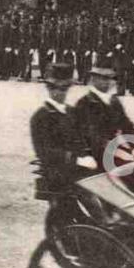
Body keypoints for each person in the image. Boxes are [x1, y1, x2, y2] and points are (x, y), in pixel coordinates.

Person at [30, 62, 97, 198]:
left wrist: (89, 154)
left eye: (65, 88)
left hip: (80, 171)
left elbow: (83, 139)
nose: (60, 93)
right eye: (56, 88)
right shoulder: (41, 117)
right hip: (57, 173)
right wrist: (76, 159)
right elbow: (44, 151)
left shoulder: (72, 112)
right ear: (49, 88)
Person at [74, 59, 134, 171]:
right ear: (93, 79)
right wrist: (120, 153)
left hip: (111, 150)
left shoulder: (113, 101)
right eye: (104, 78)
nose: (108, 82)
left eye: (110, 78)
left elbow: (127, 126)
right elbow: (93, 137)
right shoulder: (85, 103)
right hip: (92, 155)